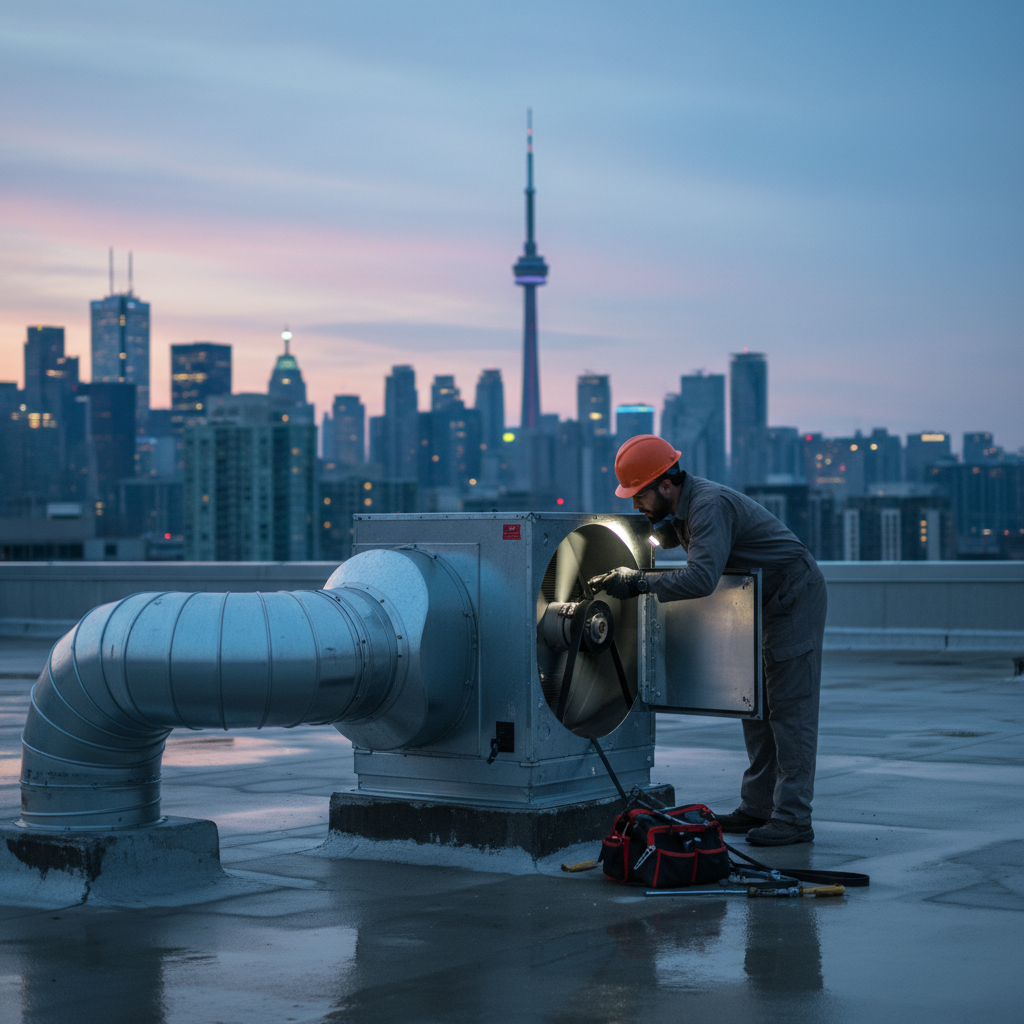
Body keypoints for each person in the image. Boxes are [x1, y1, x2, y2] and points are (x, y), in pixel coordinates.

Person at [589, 435, 827, 846]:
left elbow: (701, 578)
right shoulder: (685, 509)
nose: (635, 506)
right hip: (757, 599)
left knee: (789, 710)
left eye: (639, 495)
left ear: (666, 485)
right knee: (755, 707)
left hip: (792, 595)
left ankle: (793, 818)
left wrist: (638, 583)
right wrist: (669, 533)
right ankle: (758, 807)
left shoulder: (708, 506)